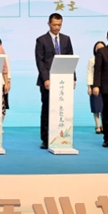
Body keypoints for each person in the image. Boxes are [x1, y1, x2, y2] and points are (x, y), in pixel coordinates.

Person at [35, 12, 74, 149]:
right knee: (47, 110)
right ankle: (46, 139)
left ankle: (61, 135)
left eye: (59, 25)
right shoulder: (41, 40)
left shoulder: (66, 39)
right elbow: (40, 61)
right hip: (48, 82)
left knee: (62, 109)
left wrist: (73, 77)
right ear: (49, 24)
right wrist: (46, 79)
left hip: (63, 81)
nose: (57, 27)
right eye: (54, 25)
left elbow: (70, 59)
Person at [87, 41, 106, 134]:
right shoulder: (92, 60)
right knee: (96, 107)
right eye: (97, 48)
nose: (99, 49)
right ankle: (97, 126)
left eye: (101, 47)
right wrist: (89, 87)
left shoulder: (107, 59)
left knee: (104, 108)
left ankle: (104, 125)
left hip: (105, 86)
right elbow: (89, 73)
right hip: (95, 86)